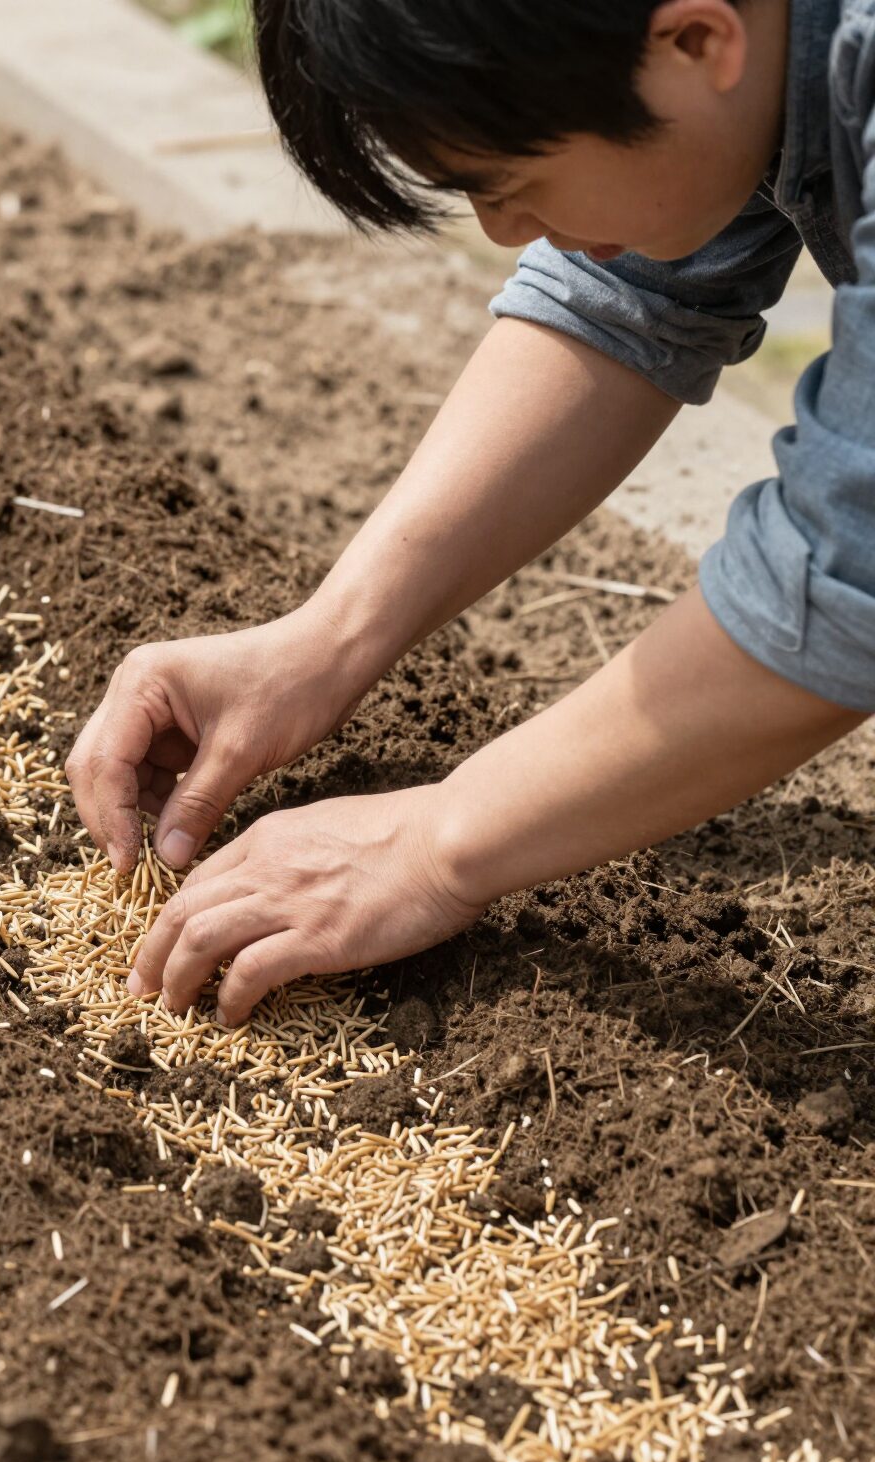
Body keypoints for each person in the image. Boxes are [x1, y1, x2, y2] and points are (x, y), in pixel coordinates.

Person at [65, 0, 875, 1027]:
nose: (504, 233)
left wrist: (435, 845)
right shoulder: (737, 64)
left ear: (697, 41)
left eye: (515, 183)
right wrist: (325, 642)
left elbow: (847, 564)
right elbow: (630, 298)